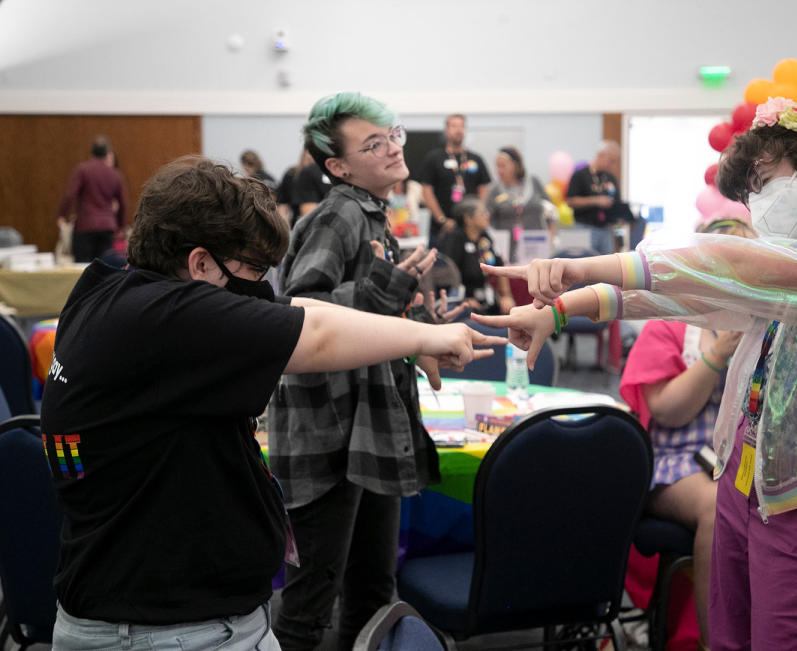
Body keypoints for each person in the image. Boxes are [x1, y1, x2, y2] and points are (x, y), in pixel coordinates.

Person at [476, 99, 797, 649]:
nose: (758, 205)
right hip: (749, 476)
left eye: (764, 182)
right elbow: (697, 297)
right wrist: (560, 309)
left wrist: (582, 268)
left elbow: (727, 265)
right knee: (728, 638)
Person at [41, 155, 500, 650]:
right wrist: (421, 339)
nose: (259, 289)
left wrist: (415, 337)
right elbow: (316, 337)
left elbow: (298, 309)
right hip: (173, 633)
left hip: (150, 615)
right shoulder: (170, 321)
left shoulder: (110, 293)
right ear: (199, 263)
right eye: (252, 271)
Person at [268, 92, 466, 651]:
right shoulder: (339, 214)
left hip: (367, 427)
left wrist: (418, 334)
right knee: (312, 598)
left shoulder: (374, 216)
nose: (392, 149)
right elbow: (302, 311)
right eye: (373, 143)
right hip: (328, 431)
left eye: (393, 135)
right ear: (338, 166)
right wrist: (388, 294)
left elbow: (370, 321)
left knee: (373, 590)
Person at [619, 217, 753, 649]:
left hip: (741, 459)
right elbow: (667, 411)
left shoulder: (763, 324)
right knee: (720, 508)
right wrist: (714, 355)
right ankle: (716, 642)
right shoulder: (671, 323)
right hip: (674, 463)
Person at [418, 114, 491, 246]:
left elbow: (483, 189)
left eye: (462, 126)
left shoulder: (476, 159)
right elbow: (427, 192)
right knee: (441, 265)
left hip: (471, 229)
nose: (458, 130)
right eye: (454, 126)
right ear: (446, 131)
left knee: (474, 264)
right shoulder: (434, 158)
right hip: (442, 228)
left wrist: (476, 217)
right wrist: (442, 220)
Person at [439, 196, 515, 315]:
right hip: (461, 301)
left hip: (485, 296)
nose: (487, 215)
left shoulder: (484, 237)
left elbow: (500, 266)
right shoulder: (454, 238)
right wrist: (463, 300)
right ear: (468, 219)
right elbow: (448, 275)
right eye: (482, 212)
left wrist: (506, 296)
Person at [57, 135, 126, 262]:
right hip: (107, 227)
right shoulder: (115, 174)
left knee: (82, 269)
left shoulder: (82, 170)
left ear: (92, 151)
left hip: (85, 226)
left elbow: (70, 194)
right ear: (107, 153)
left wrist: (62, 215)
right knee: (105, 269)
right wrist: (120, 226)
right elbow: (122, 202)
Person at [486, 146, 557, 261]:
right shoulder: (494, 190)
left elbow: (551, 213)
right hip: (507, 249)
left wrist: (551, 238)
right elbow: (487, 220)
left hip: (535, 244)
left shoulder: (534, 183)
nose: (499, 170)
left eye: (503, 166)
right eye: (497, 166)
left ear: (515, 165)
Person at [565, 140, 625, 255]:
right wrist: (595, 201)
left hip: (606, 230)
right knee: (582, 265)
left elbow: (617, 201)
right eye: (611, 161)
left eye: (615, 162)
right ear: (601, 155)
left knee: (606, 266)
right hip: (583, 228)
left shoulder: (610, 178)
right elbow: (570, 201)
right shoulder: (580, 175)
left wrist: (621, 216)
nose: (612, 165)